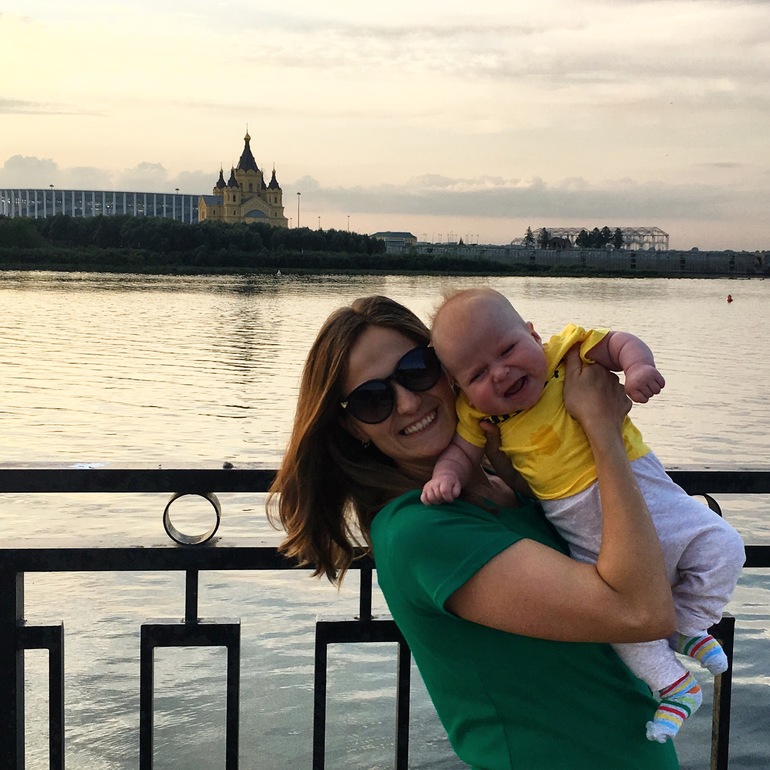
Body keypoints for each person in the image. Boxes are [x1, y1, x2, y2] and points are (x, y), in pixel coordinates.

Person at [267, 294, 681, 769]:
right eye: (372, 399)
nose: (408, 403)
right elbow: (641, 613)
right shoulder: (421, 531)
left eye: (416, 370)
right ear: (355, 427)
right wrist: (601, 429)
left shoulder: (505, 487)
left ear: (446, 369)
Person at [422, 287, 745, 742]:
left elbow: (619, 343)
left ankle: (688, 624)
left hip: (644, 488)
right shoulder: (476, 414)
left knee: (724, 546)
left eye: (508, 350)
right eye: (477, 373)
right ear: (461, 389)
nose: (500, 372)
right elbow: (460, 452)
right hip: (581, 526)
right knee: (617, 616)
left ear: (533, 334)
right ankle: (674, 686)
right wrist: (446, 475)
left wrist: (638, 367)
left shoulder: (566, 351)